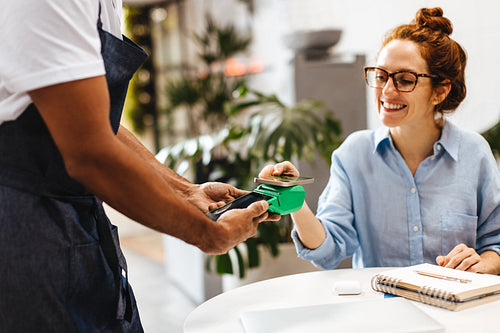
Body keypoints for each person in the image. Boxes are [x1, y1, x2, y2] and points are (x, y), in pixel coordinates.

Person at [0, 0, 278, 332]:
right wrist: (209, 234)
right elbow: (90, 151)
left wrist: (186, 191)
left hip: (73, 216)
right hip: (26, 224)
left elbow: (95, 122)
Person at [260, 7, 500, 275]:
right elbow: (328, 252)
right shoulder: (354, 154)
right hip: (381, 312)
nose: (387, 91)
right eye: (381, 76)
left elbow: (496, 242)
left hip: (454, 312)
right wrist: (295, 203)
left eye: (405, 80)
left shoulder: (474, 154)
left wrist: (483, 262)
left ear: (440, 90)